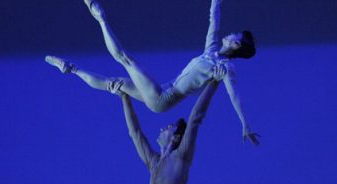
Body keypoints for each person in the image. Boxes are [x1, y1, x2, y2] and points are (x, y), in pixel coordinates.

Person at [45, 0, 260, 145]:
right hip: (163, 89)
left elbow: (234, 95)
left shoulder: (225, 68)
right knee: (115, 83)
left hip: (163, 98)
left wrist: (245, 125)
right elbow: (214, 16)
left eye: (235, 34)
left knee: (125, 59)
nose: (230, 33)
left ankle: (100, 18)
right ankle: (70, 69)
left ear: (236, 43)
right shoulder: (211, 50)